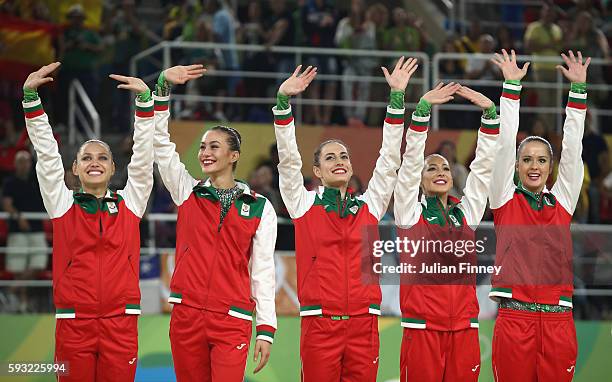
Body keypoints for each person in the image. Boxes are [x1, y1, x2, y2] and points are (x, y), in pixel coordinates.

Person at [273, 57, 417, 381]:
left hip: (365, 326)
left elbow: (389, 158)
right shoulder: (302, 204)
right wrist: (283, 105)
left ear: (351, 167)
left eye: (344, 156)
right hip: (318, 324)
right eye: (330, 157)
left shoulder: (370, 206)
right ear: (317, 171)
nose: (339, 161)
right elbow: (287, 160)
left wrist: (397, 99)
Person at [22, 62, 155, 381]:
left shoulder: (131, 203)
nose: (95, 162)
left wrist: (146, 106)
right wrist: (31, 100)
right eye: (86, 158)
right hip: (73, 323)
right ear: (75, 170)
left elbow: (142, 161)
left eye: (103, 158)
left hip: (121, 323)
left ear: (112, 169)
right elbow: (47, 156)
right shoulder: (62, 202)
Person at [153, 64, 277, 381]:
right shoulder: (186, 191)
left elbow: (263, 271)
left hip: (232, 317)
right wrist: (162, 88)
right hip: (187, 314)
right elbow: (161, 146)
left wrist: (265, 329)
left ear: (234, 156)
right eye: (203, 146)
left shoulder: (259, 207)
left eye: (215, 146)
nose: (205, 152)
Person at [488, 49, 589, 382]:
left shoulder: (562, 202)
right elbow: (504, 146)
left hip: (559, 322)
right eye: (527, 160)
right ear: (517, 167)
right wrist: (511, 89)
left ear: (550, 167)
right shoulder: (503, 199)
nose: (534, 166)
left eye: (542, 160)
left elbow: (573, 152)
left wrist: (577, 92)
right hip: (515, 320)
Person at [393, 82, 499, 381]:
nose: (440, 171)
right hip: (422, 328)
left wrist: (490, 115)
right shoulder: (409, 214)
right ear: (419, 180)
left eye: (444, 168)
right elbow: (411, 161)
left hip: (465, 328)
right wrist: (422, 111)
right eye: (432, 169)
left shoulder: (466, 214)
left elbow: (482, 171)